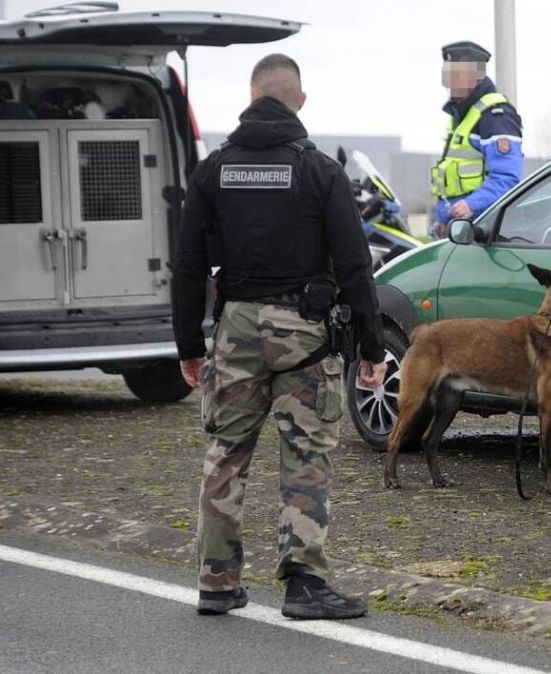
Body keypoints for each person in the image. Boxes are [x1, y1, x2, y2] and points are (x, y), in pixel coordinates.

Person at [171, 54, 387, 619]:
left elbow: (188, 265)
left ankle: (216, 582)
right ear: (300, 100)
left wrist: (189, 348)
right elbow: (355, 264)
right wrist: (371, 347)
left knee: (225, 454)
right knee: (306, 455)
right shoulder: (320, 171)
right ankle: (305, 586)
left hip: (236, 328)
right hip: (304, 334)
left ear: (250, 95)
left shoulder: (214, 169)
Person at [430, 41, 523, 238]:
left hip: (483, 233)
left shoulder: (496, 115)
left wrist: (470, 205)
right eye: (447, 75)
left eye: (456, 75)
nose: (449, 83)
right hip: (460, 231)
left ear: (477, 76)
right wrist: (443, 220)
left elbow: (508, 178)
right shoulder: (461, 115)